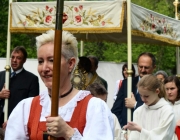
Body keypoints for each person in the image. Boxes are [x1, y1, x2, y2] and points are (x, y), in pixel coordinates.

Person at [5, 30, 114, 139]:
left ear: (70, 64)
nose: (44, 68)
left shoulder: (94, 108)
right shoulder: (26, 108)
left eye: (51, 60)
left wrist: (68, 133)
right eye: (40, 61)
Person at [124, 74, 175, 140]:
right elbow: (134, 137)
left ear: (157, 91)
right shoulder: (138, 111)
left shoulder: (166, 110)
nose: (142, 99)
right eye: (141, 95)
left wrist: (140, 129)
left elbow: (163, 137)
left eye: (146, 96)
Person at [111, 52, 156, 127]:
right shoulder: (127, 83)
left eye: (146, 67)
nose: (142, 70)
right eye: (140, 67)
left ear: (154, 67)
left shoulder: (157, 86)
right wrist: (123, 128)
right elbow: (115, 110)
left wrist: (135, 105)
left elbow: (156, 111)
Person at [0, 46, 39, 127]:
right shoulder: (1, 75)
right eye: (13, 57)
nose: (14, 60)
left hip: (17, 123)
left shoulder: (31, 79)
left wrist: (14, 121)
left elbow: (32, 106)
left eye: (18, 58)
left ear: (24, 60)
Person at [164, 76, 180, 140]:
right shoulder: (162, 105)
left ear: (178, 88)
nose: (169, 92)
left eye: (172, 88)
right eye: (167, 89)